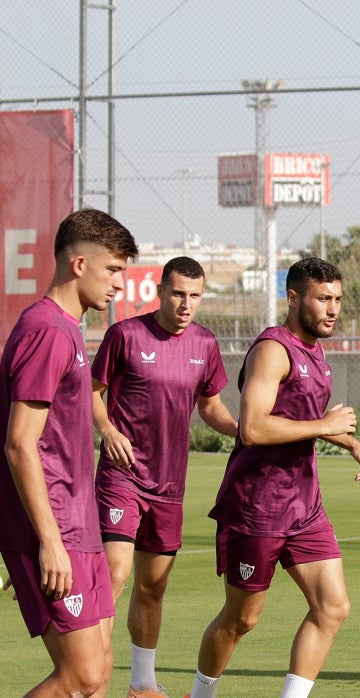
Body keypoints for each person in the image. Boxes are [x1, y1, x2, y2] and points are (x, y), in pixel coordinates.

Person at [187, 257, 360, 698]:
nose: (332, 309)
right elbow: (254, 427)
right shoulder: (273, 350)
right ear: (293, 298)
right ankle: (200, 694)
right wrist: (326, 426)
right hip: (257, 508)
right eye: (322, 299)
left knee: (332, 607)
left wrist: (353, 444)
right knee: (242, 620)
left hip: (304, 507)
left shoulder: (316, 349)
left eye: (337, 299)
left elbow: (303, 418)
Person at [0, 208, 138, 697]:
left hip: (81, 528)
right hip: (57, 528)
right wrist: (47, 541)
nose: (119, 283)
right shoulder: (47, 331)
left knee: (98, 672)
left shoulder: (67, 329)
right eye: (113, 269)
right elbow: (19, 442)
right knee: (79, 676)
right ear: (79, 263)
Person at [92, 256, 238, 697]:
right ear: (160, 291)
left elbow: (210, 406)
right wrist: (108, 429)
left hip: (170, 486)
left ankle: (141, 685)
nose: (186, 303)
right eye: (178, 293)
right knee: (115, 576)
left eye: (194, 295)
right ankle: (91, 679)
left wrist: (243, 431)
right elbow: (92, 392)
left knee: (153, 586)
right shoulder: (125, 335)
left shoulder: (205, 344)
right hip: (122, 476)